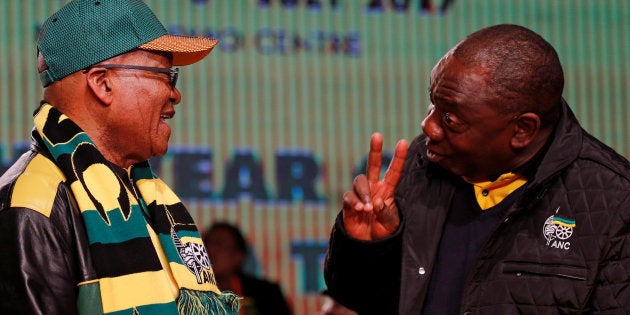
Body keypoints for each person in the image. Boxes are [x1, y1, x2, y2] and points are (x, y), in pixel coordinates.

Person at [324, 24, 630, 314]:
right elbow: (362, 299)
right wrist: (370, 249)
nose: (428, 126)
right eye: (433, 105)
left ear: (522, 130)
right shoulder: (421, 163)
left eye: (450, 119)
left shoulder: (614, 202)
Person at [0, 0, 240, 314]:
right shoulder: (33, 204)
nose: (175, 94)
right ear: (102, 83)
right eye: (164, 75)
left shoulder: (141, 195)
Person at [203, 222, 293, 315]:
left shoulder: (267, 294)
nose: (209, 250)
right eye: (205, 244)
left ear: (238, 256)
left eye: (219, 245)